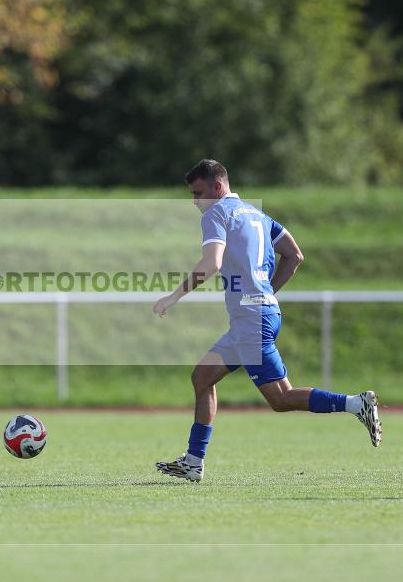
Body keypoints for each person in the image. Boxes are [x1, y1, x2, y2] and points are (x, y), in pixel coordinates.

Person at [152, 159, 381, 482]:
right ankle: (193, 461)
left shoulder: (218, 213)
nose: (195, 202)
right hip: (256, 315)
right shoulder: (257, 215)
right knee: (202, 378)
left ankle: (356, 404)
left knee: (281, 399)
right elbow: (295, 255)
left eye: (198, 193)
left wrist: (173, 296)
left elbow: (212, 262)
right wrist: (266, 293)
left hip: (250, 319)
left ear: (217, 187)